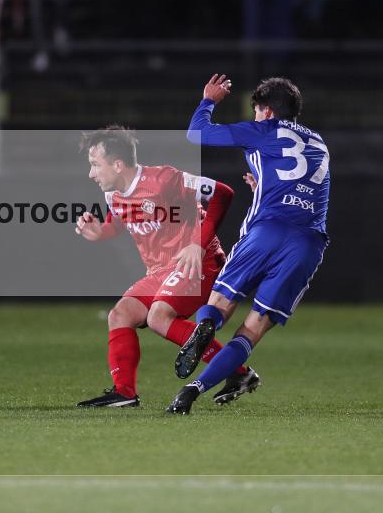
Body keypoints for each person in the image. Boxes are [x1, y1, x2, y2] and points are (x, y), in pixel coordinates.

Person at [167, 75, 329, 415]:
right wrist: (264, 187)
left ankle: (207, 325)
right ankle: (192, 391)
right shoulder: (318, 143)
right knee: (253, 329)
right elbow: (302, 188)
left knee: (221, 301)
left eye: (257, 111)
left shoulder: (263, 131)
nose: (255, 117)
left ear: (267, 112)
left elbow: (197, 132)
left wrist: (208, 100)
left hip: (267, 230)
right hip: (307, 243)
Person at [74, 125, 262, 408]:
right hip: (161, 271)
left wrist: (197, 245)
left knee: (158, 317)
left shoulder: (163, 180)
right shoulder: (113, 194)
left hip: (199, 264)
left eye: (95, 165)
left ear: (117, 164)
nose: (91, 174)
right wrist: (100, 231)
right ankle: (125, 393)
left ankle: (237, 371)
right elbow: (119, 223)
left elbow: (222, 193)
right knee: (120, 314)